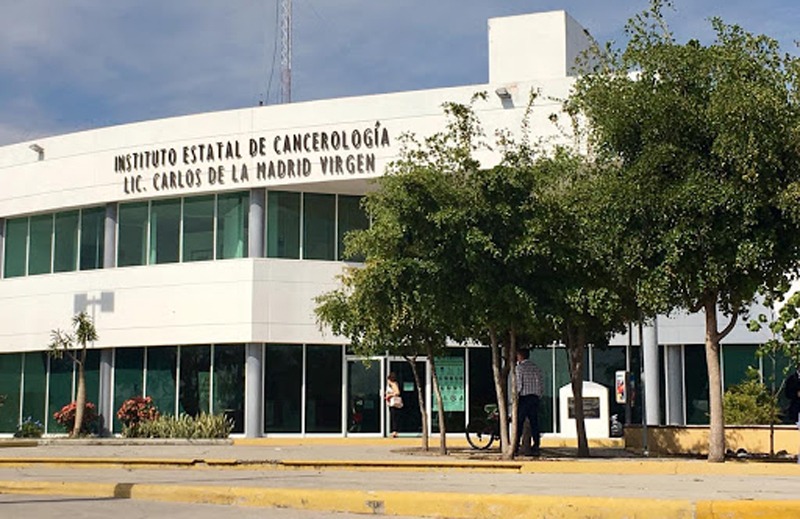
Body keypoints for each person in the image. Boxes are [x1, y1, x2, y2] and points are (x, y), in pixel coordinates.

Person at [515, 349, 543, 456]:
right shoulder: (536, 368)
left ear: (520, 356)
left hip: (524, 397)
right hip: (534, 397)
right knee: (534, 422)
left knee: (519, 422)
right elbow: (540, 384)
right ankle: (536, 444)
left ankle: (516, 445)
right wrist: (539, 395)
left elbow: (519, 384)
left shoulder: (519, 368)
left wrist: (516, 396)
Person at [385, 372, 403, 438]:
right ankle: (394, 431)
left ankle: (395, 431)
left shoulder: (393, 384)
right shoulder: (392, 384)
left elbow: (397, 392)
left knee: (394, 417)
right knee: (394, 417)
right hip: (391, 403)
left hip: (394, 403)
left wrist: (389, 395)